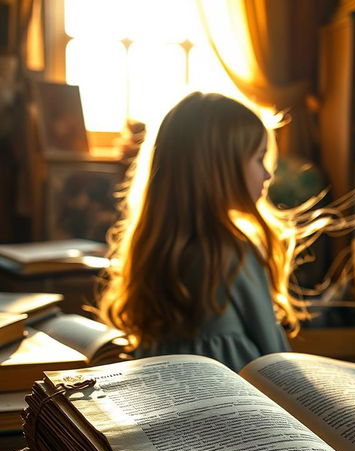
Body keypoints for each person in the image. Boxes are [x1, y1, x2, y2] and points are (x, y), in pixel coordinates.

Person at [97, 92, 296, 372]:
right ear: (219, 169)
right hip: (242, 400)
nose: (267, 174)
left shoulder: (156, 249)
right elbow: (275, 355)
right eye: (259, 158)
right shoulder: (231, 252)